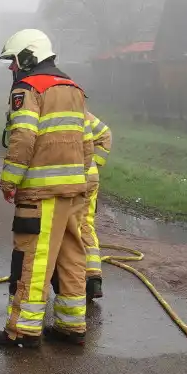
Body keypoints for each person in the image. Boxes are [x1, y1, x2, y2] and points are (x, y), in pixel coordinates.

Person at [0, 29, 93, 348]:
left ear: (28, 56)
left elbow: (22, 137)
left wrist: (10, 179)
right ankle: (71, 324)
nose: (12, 68)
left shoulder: (28, 88)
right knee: (71, 256)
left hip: (40, 194)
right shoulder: (74, 87)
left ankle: (22, 330)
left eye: (14, 60)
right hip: (74, 190)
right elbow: (86, 141)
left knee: (31, 258)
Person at [82, 110, 112, 300]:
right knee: (85, 224)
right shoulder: (80, 111)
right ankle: (93, 277)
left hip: (68, 177)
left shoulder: (43, 108)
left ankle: (66, 281)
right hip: (89, 177)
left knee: (61, 227)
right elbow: (105, 135)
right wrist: (95, 165)